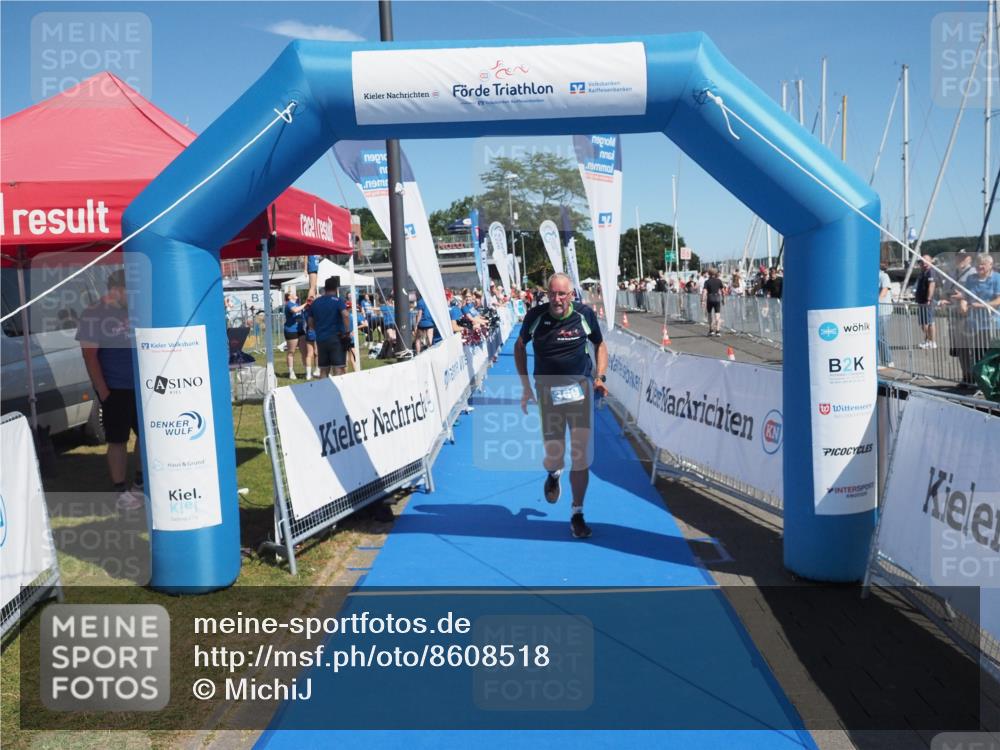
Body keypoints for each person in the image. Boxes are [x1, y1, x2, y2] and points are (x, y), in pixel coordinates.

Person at [515, 273, 608, 539]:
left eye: (562, 294)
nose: (556, 299)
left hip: (580, 391)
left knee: (581, 455)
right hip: (548, 393)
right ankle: (554, 473)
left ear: (571, 295)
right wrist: (526, 387)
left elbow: (600, 345)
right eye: (552, 294)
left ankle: (577, 512)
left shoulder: (584, 315)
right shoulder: (536, 317)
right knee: (554, 453)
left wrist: (599, 377)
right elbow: (520, 347)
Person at [76, 270, 144, 511]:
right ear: (116, 290)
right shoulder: (94, 314)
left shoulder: (135, 311)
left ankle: (140, 482)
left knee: (146, 437)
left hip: (142, 386)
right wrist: (103, 392)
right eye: (130, 292)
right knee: (118, 440)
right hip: (115, 388)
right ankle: (120, 489)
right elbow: (89, 355)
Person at [956, 254, 1000, 387]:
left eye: (983, 264)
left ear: (990, 265)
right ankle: (980, 383)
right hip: (974, 323)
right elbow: (966, 296)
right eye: (978, 264)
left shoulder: (997, 278)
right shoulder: (971, 278)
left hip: (992, 323)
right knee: (977, 354)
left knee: (992, 355)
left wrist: (981, 305)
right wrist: (963, 303)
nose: (979, 266)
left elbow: (998, 300)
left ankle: (994, 383)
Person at [308, 276, 351, 377]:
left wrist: (317, 328)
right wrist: (347, 331)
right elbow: (346, 314)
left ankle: (323, 392)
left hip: (321, 338)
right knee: (338, 369)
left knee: (324, 370)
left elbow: (310, 321)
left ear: (325, 288)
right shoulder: (338, 301)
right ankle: (337, 391)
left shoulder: (316, 302)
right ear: (336, 289)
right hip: (336, 338)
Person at [914, 255, 938, 349]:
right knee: (923, 322)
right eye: (922, 262)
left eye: (926, 261)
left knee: (929, 322)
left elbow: (931, 285)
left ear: (930, 261)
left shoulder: (930, 272)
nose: (924, 263)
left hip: (926, 301)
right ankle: (928, 340)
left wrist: (928, 299)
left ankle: (932, 342)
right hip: (921, 301)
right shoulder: (922, 272)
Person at [283, 291, 307, 379]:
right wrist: (306, 304)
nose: (295, 293)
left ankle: (307, 371)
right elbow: (295, 310)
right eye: (292, 293)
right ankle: (291, 372)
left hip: (300, 330)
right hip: (291, 330)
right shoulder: (289, 304)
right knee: (291, 352)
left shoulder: (297, 304)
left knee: (304, 351)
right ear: (289, 297)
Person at [877, 262, 895, 369]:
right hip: (878, 311)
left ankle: (888, 360)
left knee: (880, 336)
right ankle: (883, 361)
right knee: (878, 336)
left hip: (883, 311)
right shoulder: (873, 277)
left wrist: (876, 301)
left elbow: (884, 291)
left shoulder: (883, 276)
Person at [702, 267, 725, 337]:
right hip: (717, 298)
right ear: (715, 273)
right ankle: (718, 331)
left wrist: (703, 300)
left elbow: (704, 292)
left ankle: (711, 330)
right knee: (717, 315)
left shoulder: (707, 282)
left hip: (710, 298)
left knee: (709, 314)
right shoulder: (719, 281)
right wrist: (723, 299)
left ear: (709, 273)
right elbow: (723, 291)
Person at [303, 295, 320, 380]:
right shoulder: (314, 310)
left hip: (309, 332)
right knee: (317, 353)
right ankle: (317, 370)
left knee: (310, 353)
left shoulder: (306, 310)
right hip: (315, 331)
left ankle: (309, 374)